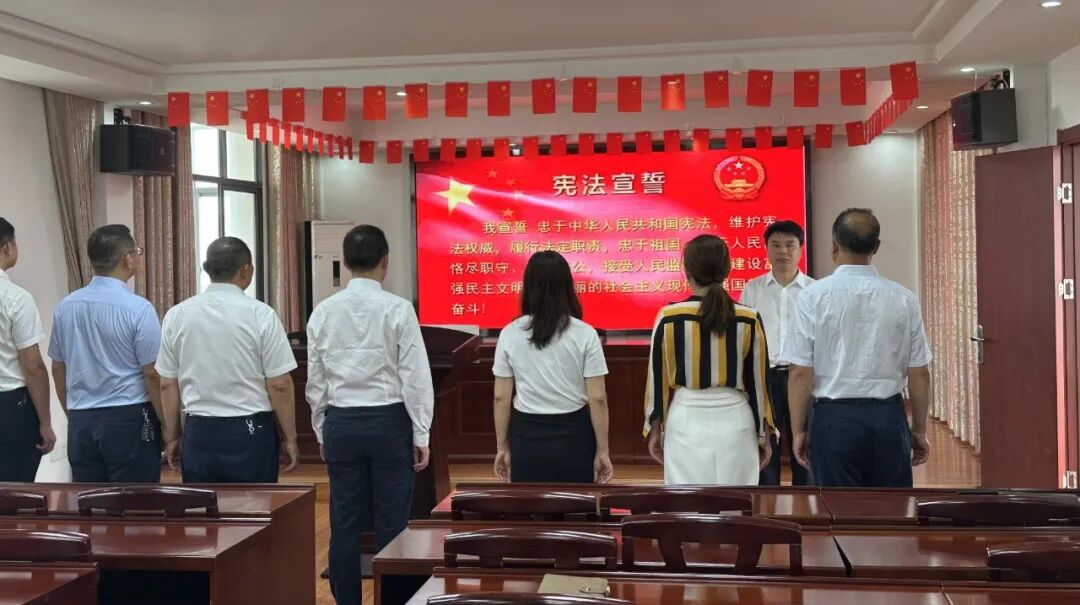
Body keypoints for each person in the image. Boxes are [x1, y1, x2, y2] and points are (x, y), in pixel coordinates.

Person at [306, 225, 433, 605]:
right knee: (393, 522)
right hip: (389, 423)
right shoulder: (398, 309)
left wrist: (321, 430)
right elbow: (415, 374)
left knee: (344, 521)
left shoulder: (323, 312)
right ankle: (392, 599)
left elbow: (316, 381)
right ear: (385, 262)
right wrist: (421, 432)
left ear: (345, 263)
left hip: (341, 423)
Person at [783, 208, 932, 488]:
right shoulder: (904, 298)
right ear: (876, 246)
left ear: (834, 245)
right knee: (892, 509)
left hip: (833, 421)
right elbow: (920, 373)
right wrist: (919, 430)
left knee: (836, 509)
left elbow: (799, 372)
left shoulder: (811, 297)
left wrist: (798, 431)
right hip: (889, 419)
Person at [156, 237, 299, 483]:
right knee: (254, 505)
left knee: (204, 505)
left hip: (199, 430)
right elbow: (280, 384)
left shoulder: (177, 315)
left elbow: (167, 384)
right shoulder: (261, 314)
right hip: (250, 430)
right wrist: (290, 438)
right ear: (246, 269)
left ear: (206, 268)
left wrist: (172, 436)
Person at [645, 234, 773, 485]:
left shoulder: (668, 317)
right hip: (737, 422)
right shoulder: (748, 318)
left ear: (687, 271)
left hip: (685, 421)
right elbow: (760, 385)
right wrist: (764, 435)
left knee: (687, 503)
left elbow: (656, 380)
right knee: (736, 503)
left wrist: (654, 428)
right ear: (727, 270)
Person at [48, 224, 163, 483]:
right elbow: (152, 373)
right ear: (128, 259)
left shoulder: (66, 306)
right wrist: (167, 425)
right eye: (137, 252)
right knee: (135, 501)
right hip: (129, 417)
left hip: (81, 420)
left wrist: (73, 413)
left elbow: (58, 366)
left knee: (89, 500)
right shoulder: (139, 309)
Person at [492, 251, 613, 484]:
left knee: (529, 504)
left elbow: (500, 397)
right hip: (574, 436)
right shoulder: (585, 334)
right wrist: (603, 451)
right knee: (577, 503)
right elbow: (598, 398)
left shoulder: (510, 333)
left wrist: (502, 447)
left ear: (528, 287)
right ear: (567, 287)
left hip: (526, 435)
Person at [740, 220, 815, 486]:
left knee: (804, 448)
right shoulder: (752, 289)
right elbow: (743, 338)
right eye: (776, 245)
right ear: (767, 249)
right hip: (764, 378)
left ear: (800, 249)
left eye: (789, 245)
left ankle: (806, 505)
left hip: (804, 377)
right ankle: (766, 505)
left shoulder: (814, 291)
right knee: (765, 449)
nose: (783, 251)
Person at [0, 218, 54, 481]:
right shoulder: (15, 298)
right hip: (10, 407)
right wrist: (46, 422)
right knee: (13, 491)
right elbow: (33, 367)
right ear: (7, 247)